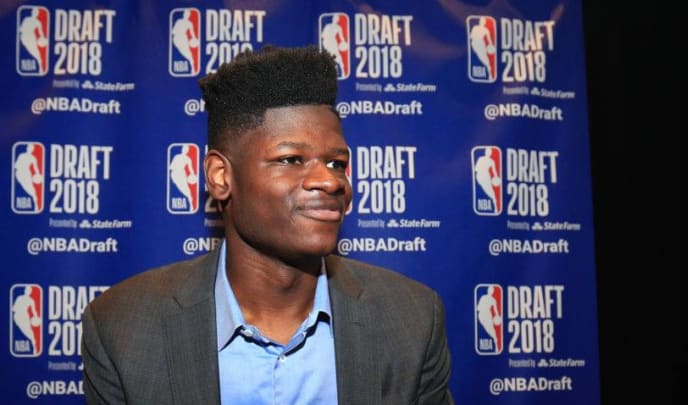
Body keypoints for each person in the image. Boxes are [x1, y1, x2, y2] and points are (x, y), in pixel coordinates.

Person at [81, 45, 453, 404]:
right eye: (291, 159)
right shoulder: (123, 328)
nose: (330, 181)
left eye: (338, 163)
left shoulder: (412, 320)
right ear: (221, 176)